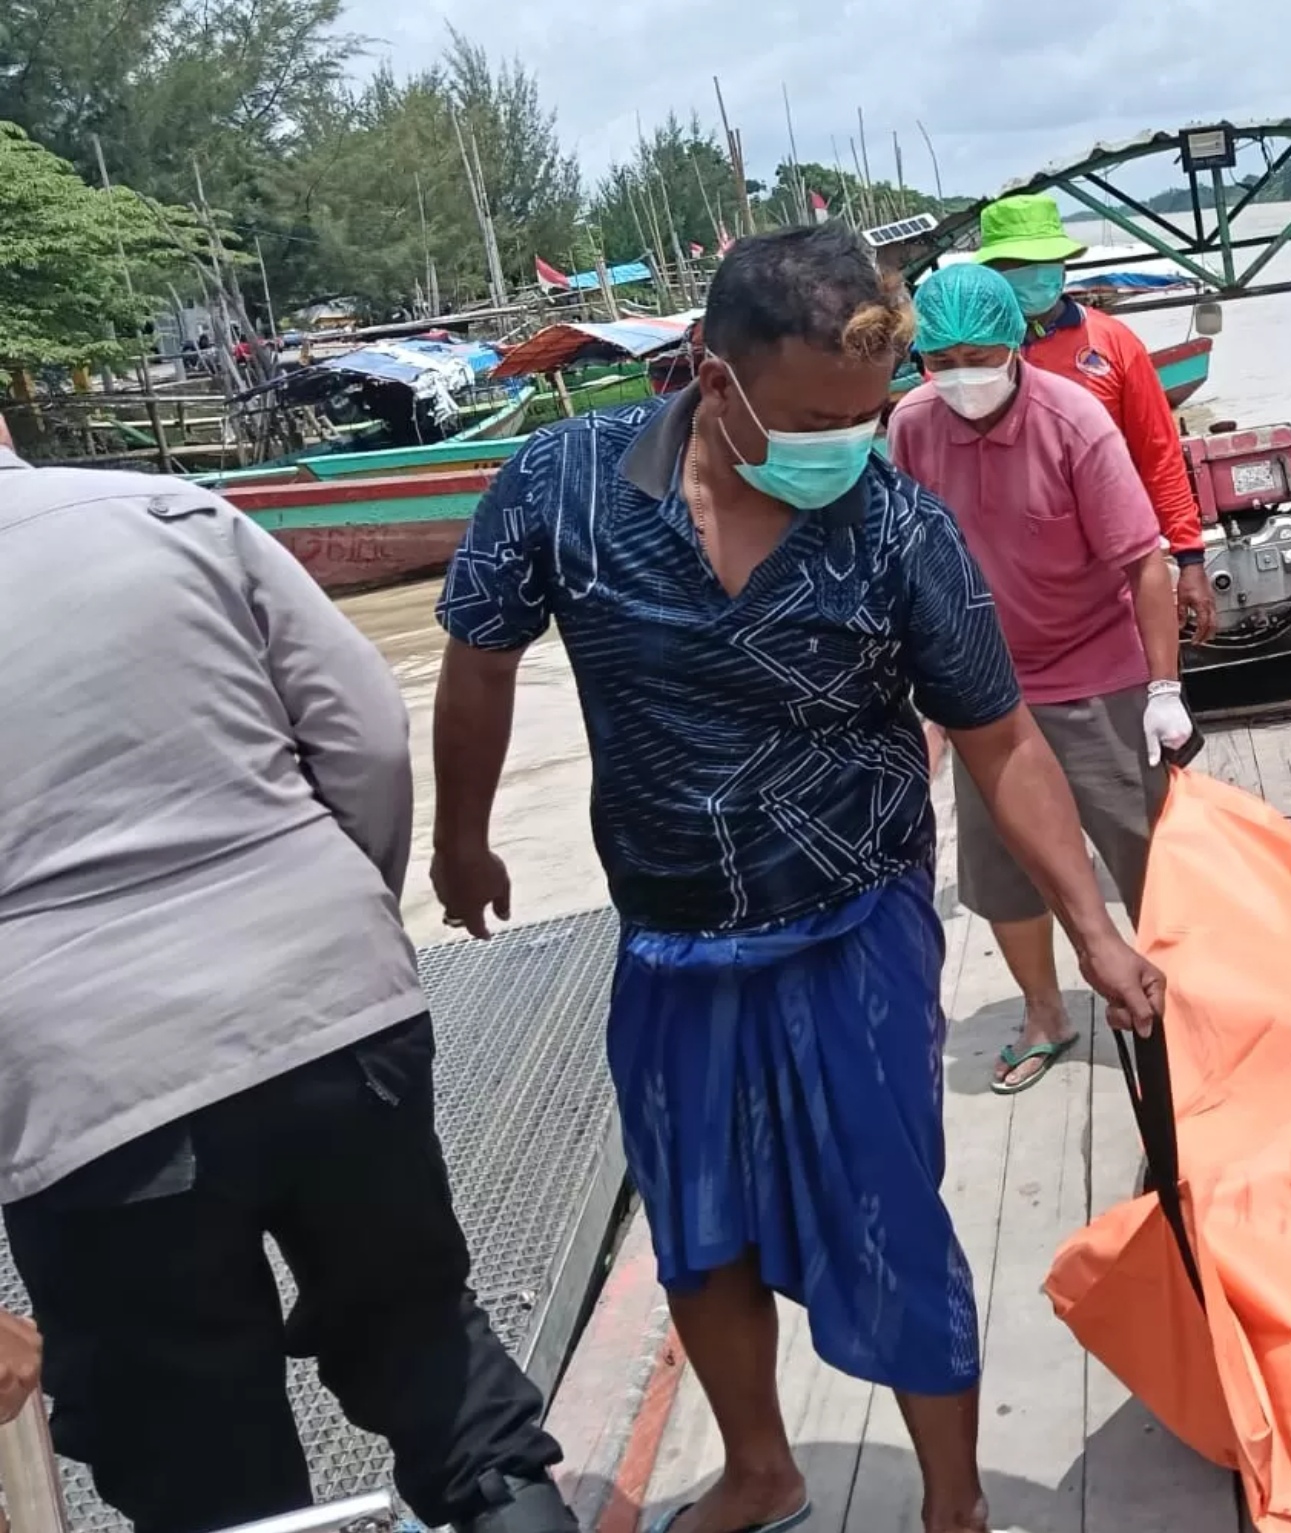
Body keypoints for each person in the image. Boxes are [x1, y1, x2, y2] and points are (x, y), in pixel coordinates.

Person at [430, 225, 1166, 1533]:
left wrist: (1093, 928)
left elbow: (998, 737)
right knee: (695, 1224)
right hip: (668, 935)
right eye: (820, 417)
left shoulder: (895, 527)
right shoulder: (564, 484)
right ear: (711, 376)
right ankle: (761, 1466)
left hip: (852, 923)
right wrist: (464, 832)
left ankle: (954, 1499)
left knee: (890, 1201)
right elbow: (481, 654)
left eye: (870, 414)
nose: (853, 442)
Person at [0, 416, 575, 1533]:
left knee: (198, 1464)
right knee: (428, 1348)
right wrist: (342, 924)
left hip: (86, 1089)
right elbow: (363, 739)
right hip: (333, 1011)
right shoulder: (170, 515)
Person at [891, 264, 1192, 1096]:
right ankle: (1042, 1011)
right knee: (999, 867)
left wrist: (1162, 689)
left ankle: (1182, 994)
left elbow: (1143, 564)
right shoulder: (913, 426)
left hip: (1095, 666)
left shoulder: (1075, 423)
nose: (960, 378)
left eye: (977, 356)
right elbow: (905, 569)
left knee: (1146, 849)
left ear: (1017, 344)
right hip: (980, 682)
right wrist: (922, 706)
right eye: (939, 361)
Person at [970, 192, 1220, 639]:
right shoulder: (967, 360)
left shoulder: (1114, 342)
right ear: (992, 273)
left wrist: (1190, 557)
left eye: (1043, 262)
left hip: (1117, 563)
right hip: (1011, 580)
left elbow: (1159, 456)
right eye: (1017, 265)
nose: (1034, 275)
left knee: (1148, 693)